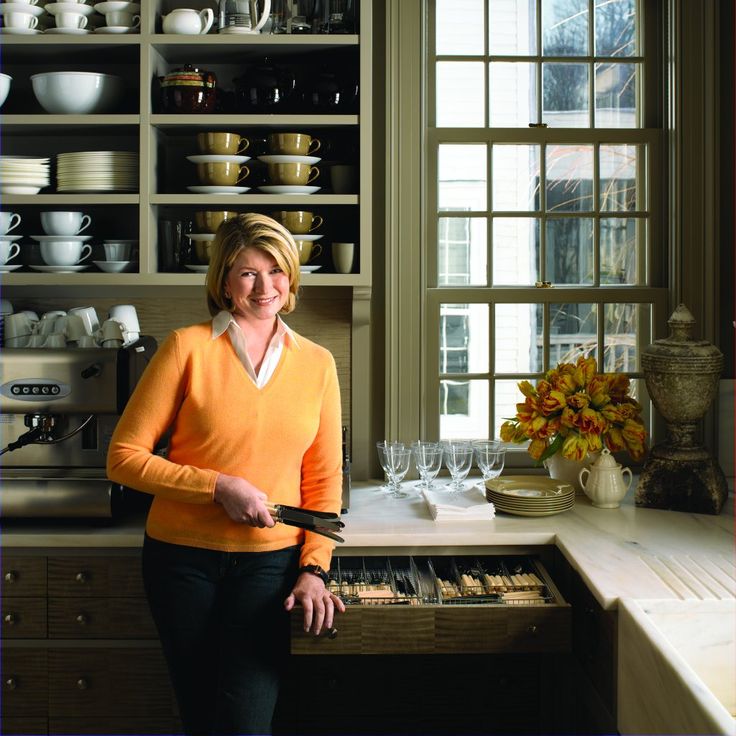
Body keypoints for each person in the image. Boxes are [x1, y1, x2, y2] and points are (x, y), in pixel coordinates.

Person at [106, 213, 346, 736]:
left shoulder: (318, 363)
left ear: (292, 276)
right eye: (247, 273)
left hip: (270, 568)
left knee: (244, 721)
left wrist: (314, 569)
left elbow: (324, 483)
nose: (266, 287)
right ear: (223, 281)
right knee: (200, 715)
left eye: (277, 271)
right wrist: (218, 486)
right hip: (179, 563)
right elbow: (123, 456)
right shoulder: (185, 348)